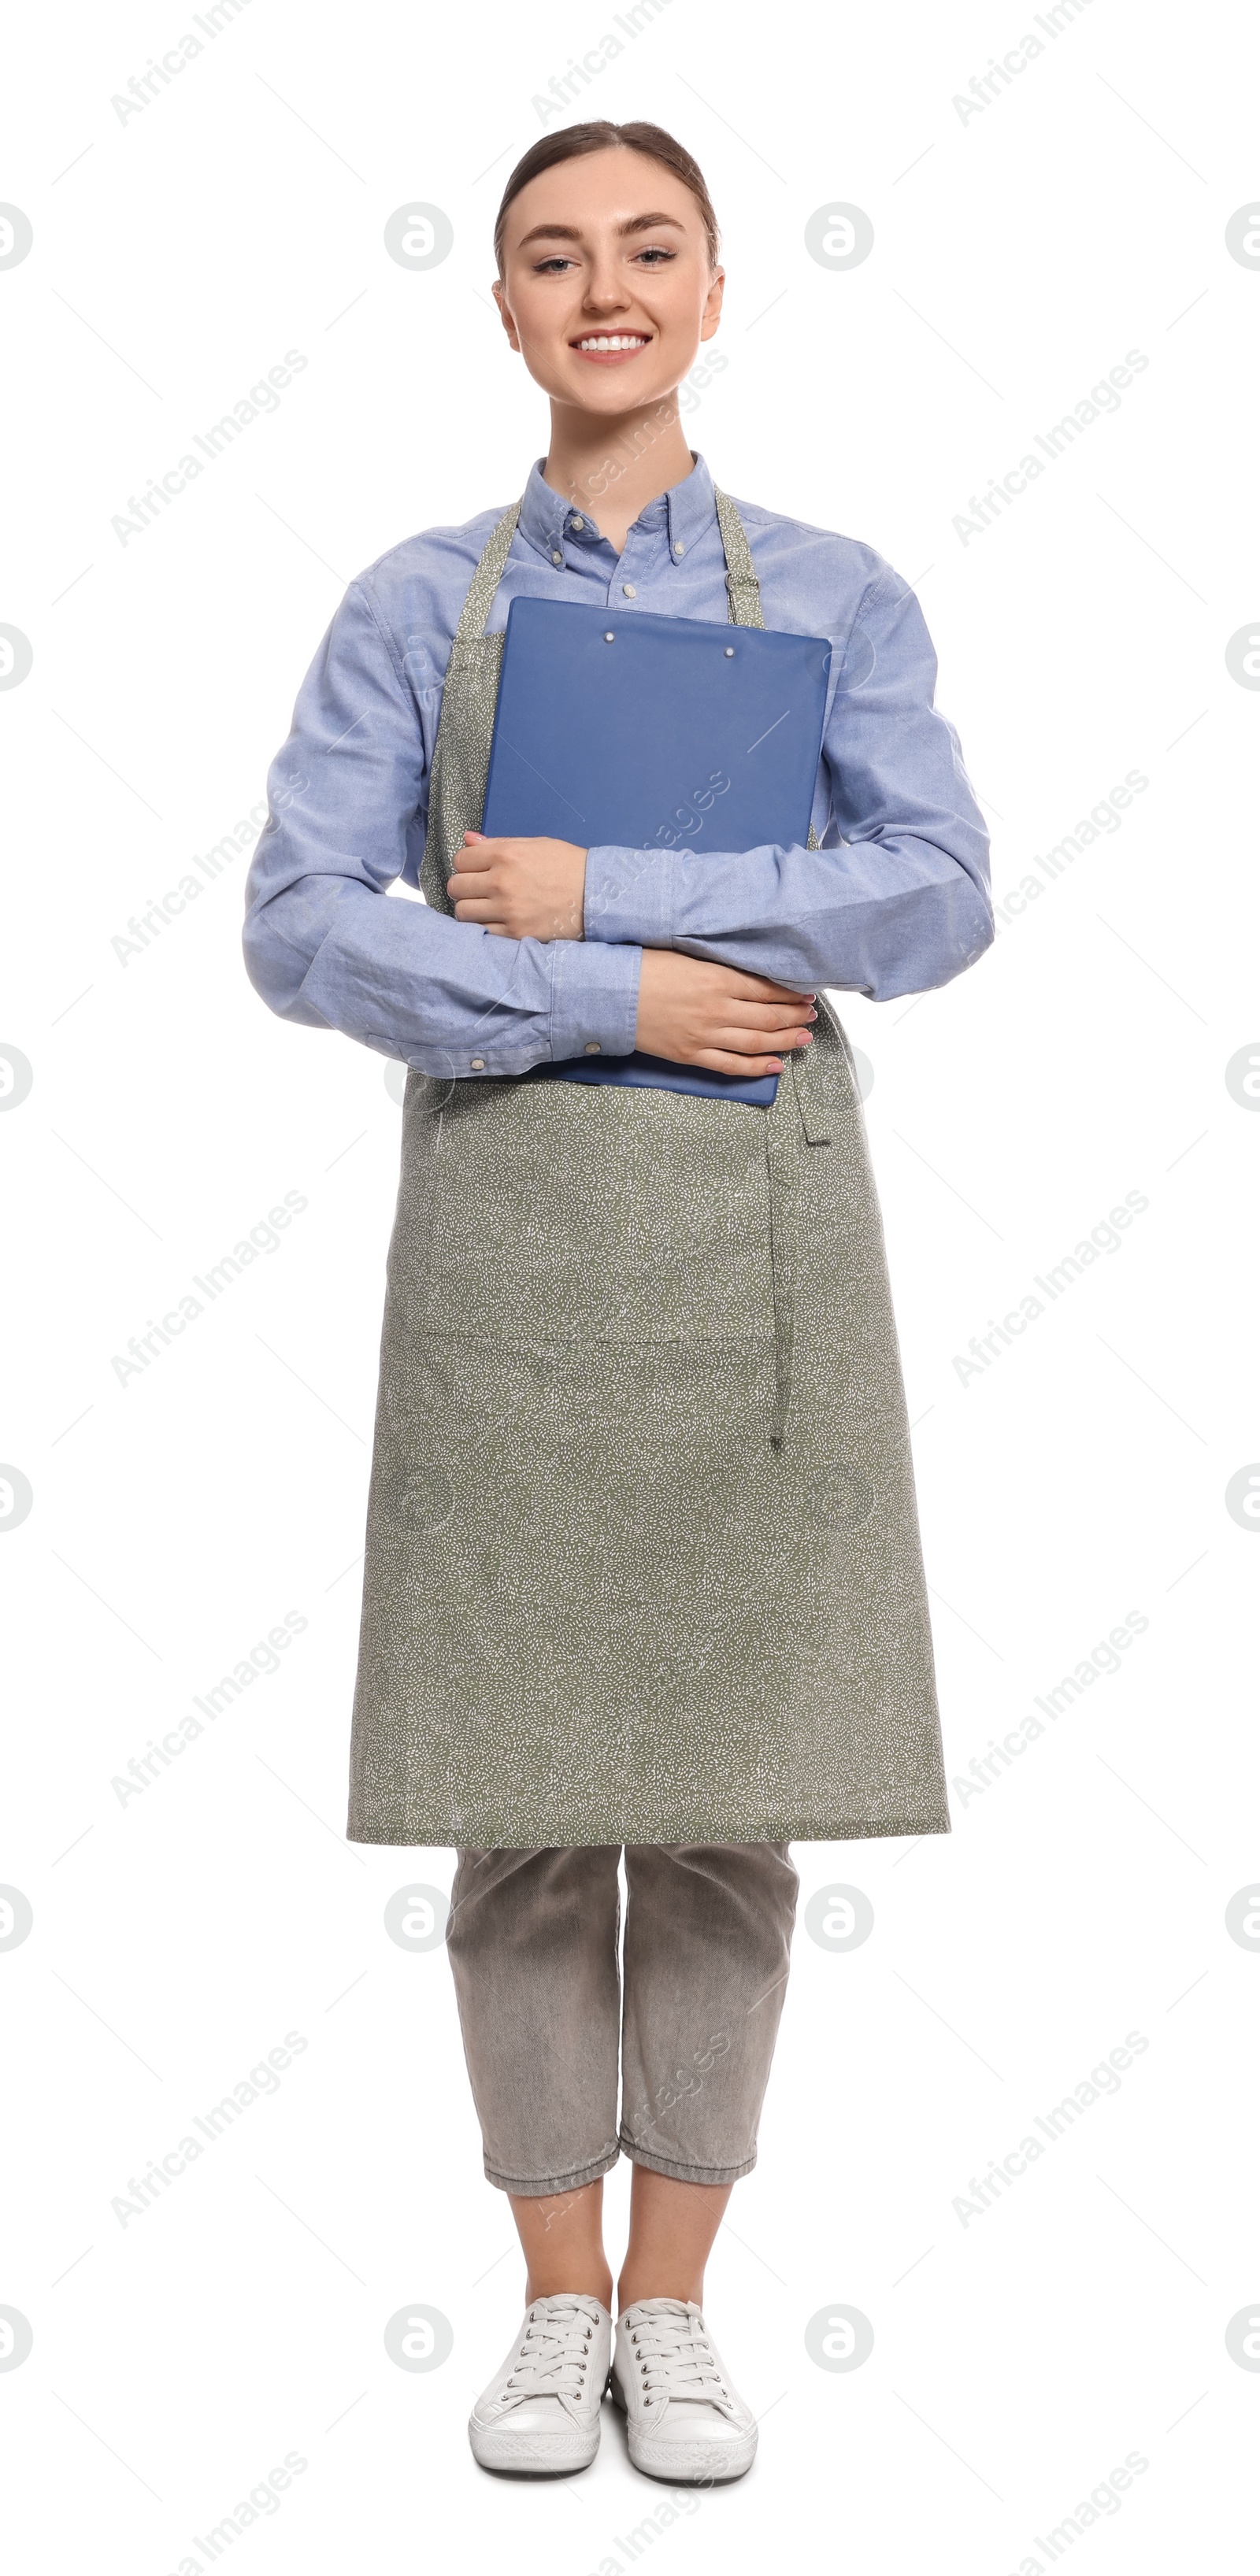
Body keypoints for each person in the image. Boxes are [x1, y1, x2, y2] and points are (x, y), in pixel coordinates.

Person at [243, 117, 991, 2485]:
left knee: (733, 1806)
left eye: (645, 249)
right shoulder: (410, 604)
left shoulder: (837, 597)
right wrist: (609, 998)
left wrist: (611, 888)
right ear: (500, 306)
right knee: (527, 1806)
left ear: (714, 285)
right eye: (553, 257)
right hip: (514, 1244)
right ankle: (551, 2306)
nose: (603, 289)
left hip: (752, 1252)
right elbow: (296, 918)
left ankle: (678, 2309)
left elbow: (939, 892)